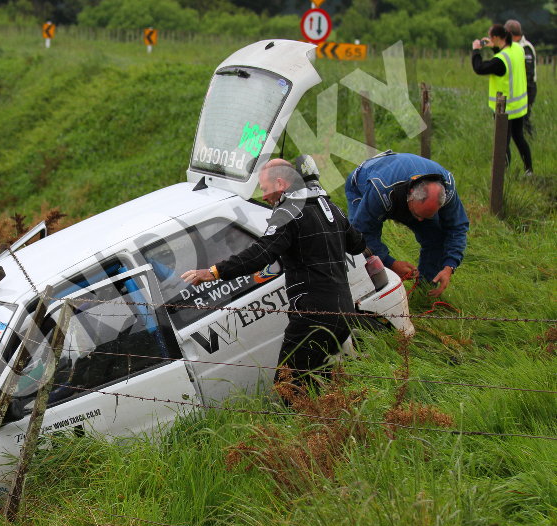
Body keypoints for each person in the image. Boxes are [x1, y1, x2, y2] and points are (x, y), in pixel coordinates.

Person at [181, 158, 365, 384]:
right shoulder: (331, 208)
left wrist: (215, 272)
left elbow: (260, 254)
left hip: (313, 315)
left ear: (280, 183)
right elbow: (357, 244)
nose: (264, 196)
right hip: (344, 311)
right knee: (317, 384)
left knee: (288, 386)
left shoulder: (289, 212)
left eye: (265, 189)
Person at [345, 151, 469, 298]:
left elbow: (457, 228)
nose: (420, 221)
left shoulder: (448, 189)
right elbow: (363, 233)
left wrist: (449, 266)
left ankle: (424, 291)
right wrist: (391, 263)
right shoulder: (381, 190)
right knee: (357, 245)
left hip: (399, 186)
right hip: (364, 183)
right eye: (417, 215)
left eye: (428, 215)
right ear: (410, 194)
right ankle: (367, 296)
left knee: (435, 236)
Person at [472, 24, 532, 174]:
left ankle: (502, 174)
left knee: (502, 143)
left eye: (490, 36)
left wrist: (476, 50)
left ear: (496, 37)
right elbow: (506, 59)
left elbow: (479, 68)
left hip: (505, 108)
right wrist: (494, 47)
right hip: (519, 105)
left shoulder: (500, 60)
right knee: (519, 137)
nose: (489, 38)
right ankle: (529, 170)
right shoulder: (517, 48)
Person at [505, 19, 537, 138]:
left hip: (527, 88)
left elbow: (528, 72)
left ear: (510, 33)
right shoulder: (512, 46)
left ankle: (531, 138)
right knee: (515, 119)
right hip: (517, 87)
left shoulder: (525, 47)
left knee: (524, 117)